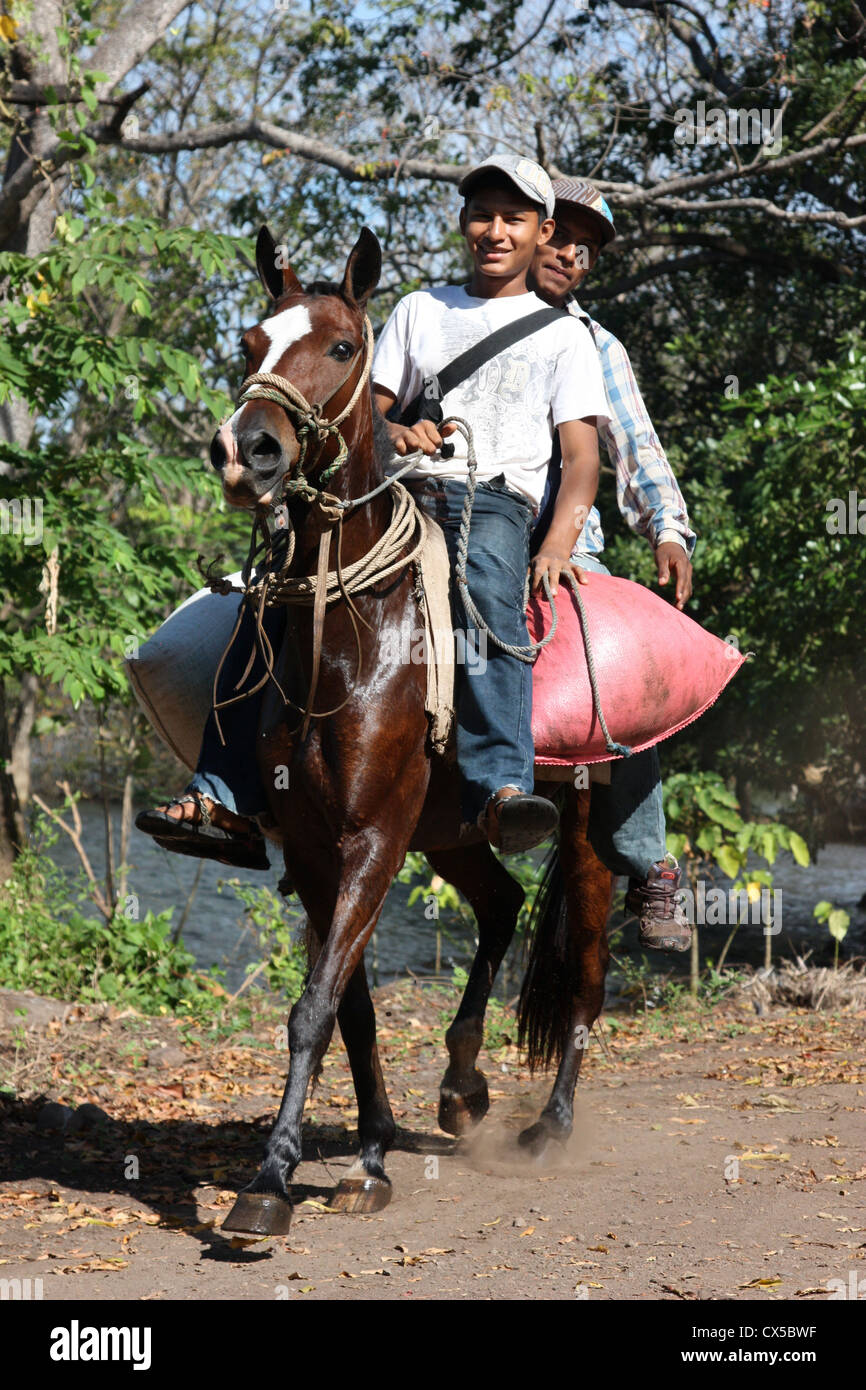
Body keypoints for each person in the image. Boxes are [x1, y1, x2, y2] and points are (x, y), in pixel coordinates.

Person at [371, 153, 609, 852]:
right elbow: (370, 421)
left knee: (484, 595)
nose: (495, 230)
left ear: (543, 233)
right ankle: (223, 787)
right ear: (463, 224)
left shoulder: (566, 337)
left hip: (495, 502)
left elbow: (582, 458)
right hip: (402, 491)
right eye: (482, 214)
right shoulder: (421, 309)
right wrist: (395, 432)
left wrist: (558, 544)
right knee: (290, 581)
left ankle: (501, 786)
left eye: (514, 218)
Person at [528, 177, 696, 950]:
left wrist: (668, 528)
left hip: (566, 553)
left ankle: (648, 863)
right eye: (562, 234)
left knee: (618, 664)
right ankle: (272, 805)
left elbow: (637, 448)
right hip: (453, 528)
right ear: (527, 229)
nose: (571, 254)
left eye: (587, 250)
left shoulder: (598, 345)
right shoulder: (451, 317)